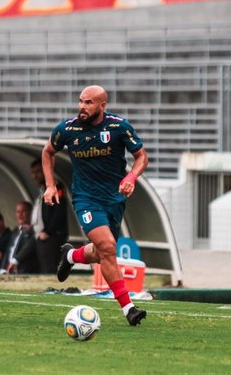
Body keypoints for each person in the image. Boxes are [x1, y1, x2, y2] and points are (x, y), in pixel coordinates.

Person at [42, 85, 149, 326]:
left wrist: (131, 177)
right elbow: (47, 152)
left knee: (102, 252)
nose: (82, 107)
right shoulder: (67, 129)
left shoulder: (118, 126)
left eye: (89, 103)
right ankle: (128, 308)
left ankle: (70, 255)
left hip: (114, 199)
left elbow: (142, 156)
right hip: (85, 199)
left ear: (102, 105)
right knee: (108, 246)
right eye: (81, 101)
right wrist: (50, 185)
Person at [30, 158, 69, 273]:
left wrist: (48, 232)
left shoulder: (56, 187)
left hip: (52, 236)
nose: (34, 176)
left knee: (49, 267)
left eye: (37, 172)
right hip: (43, 235)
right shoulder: (43, 189)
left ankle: (51, 288)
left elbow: (59, 211)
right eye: (33, 173)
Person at [0, 201, 39, 274]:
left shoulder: (35, 231)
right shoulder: (15, 231)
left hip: (24, 272)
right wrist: (2, 269)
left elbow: (28, 250)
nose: (20, 215)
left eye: (23, 211)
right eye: (18, 212)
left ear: (31, 213)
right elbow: (8, 251)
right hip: (8, 271)